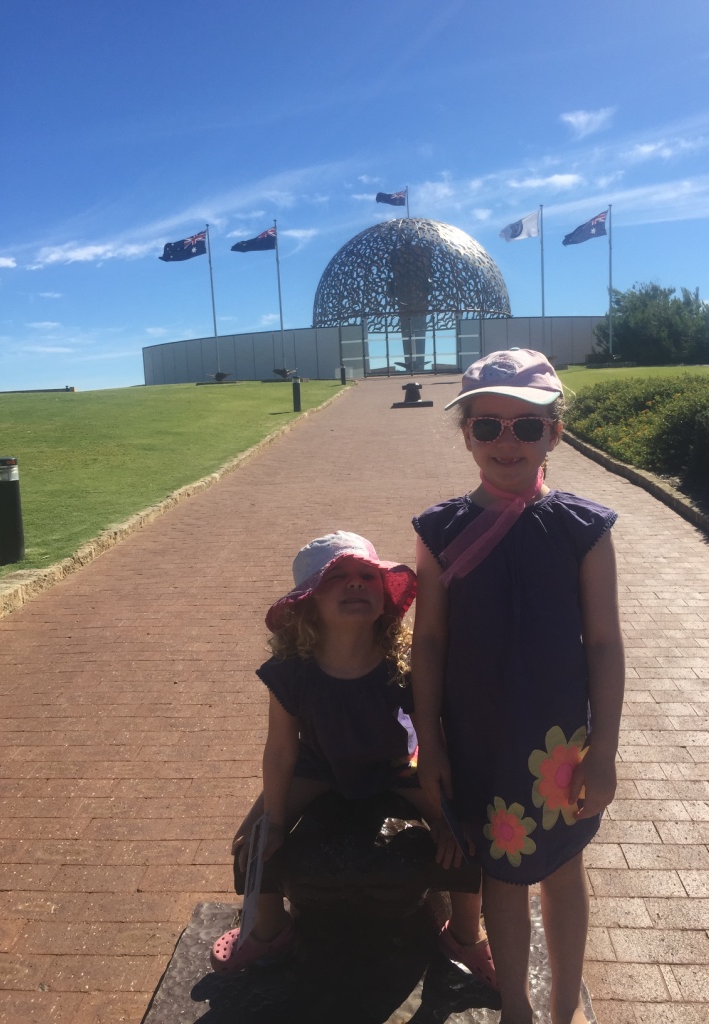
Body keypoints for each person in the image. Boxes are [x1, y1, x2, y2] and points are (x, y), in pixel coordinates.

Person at [411, 350, 625, 1024]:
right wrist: (430, 744)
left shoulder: (582, 529)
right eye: (488, 426)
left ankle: (562, 1010)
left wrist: (607, 752)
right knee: (499, 873)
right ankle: (515, 1008)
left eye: (527, 427)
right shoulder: (439, 530)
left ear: (553, 435)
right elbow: (431, 642)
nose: (507, 442)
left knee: (562, 870)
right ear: (466, 434)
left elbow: (605, 644)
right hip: (477, 735)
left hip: (558, 740)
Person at [210, 530, 495, 989]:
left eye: (366, 575)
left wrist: (443, 816)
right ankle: (268, 930)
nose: (356, 584)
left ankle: (466, 933)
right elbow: (282, 749)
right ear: (308, 603)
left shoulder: (402, 667)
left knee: (463, 837)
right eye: (336, 577)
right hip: (318, 766)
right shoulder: (291, 673)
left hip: (394, 767)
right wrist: (275, 819)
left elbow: (431, 738)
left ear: (384, 598)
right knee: (255, 840)